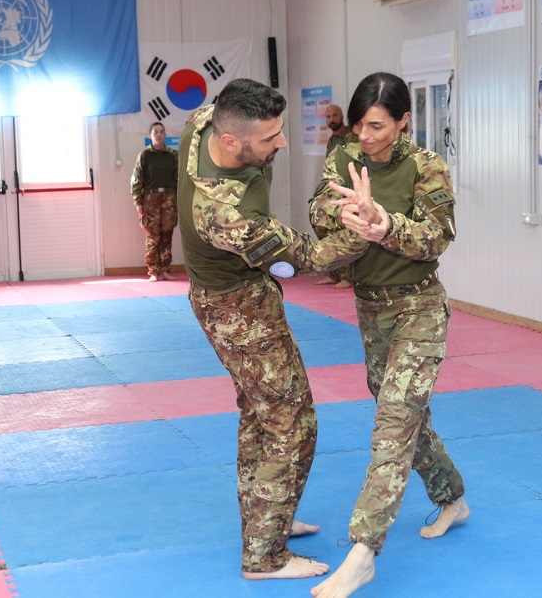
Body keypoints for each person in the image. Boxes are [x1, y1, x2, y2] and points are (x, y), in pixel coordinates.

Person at [177, 78, 368, 582]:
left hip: (237, 296)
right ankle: (264, 555)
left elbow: (224, 114)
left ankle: (268, 518)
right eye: (270, 139)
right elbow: (306, 257)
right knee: (292, 422)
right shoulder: (224, 213)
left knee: (260, 412)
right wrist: (369, 228)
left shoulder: (202, 120)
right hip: (236, 308)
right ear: (232, 142)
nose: (282, 144)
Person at [309, 72, 469, 597]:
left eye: (377, 125)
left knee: (393, 422)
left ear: (403, 121)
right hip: (370, 308)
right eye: (359, 124)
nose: (366, 136)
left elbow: (437, 237)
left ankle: (363, 551)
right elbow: (317, 210)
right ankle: (452, 496)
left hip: (419, 306)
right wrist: (341, 211)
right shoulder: (343, 157)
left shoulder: (426, 167)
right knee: (405, 414)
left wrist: (384, 224)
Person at [314, 103, 358, 288]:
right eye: (328, 117)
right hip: (332, 189)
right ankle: (335, 273)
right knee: (325, 228)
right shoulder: (332, 139)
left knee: (345, 233)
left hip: (347, 189)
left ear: (342, 116)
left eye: (335, 116)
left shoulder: (351, 137)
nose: (331, 120)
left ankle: (349, 277)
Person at [131, 121, 178, 281]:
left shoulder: (172, 155)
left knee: (167, 235)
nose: (159, 134)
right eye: (155, 132)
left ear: (165, 135)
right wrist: (138, 202)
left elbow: (179, 179)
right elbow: (136, 180)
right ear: (150, 135)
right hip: (150, 200)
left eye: (161, 132)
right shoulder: (145, 155)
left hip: (169, 199)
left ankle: (165, 269)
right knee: (153, 237)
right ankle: (153, 271)